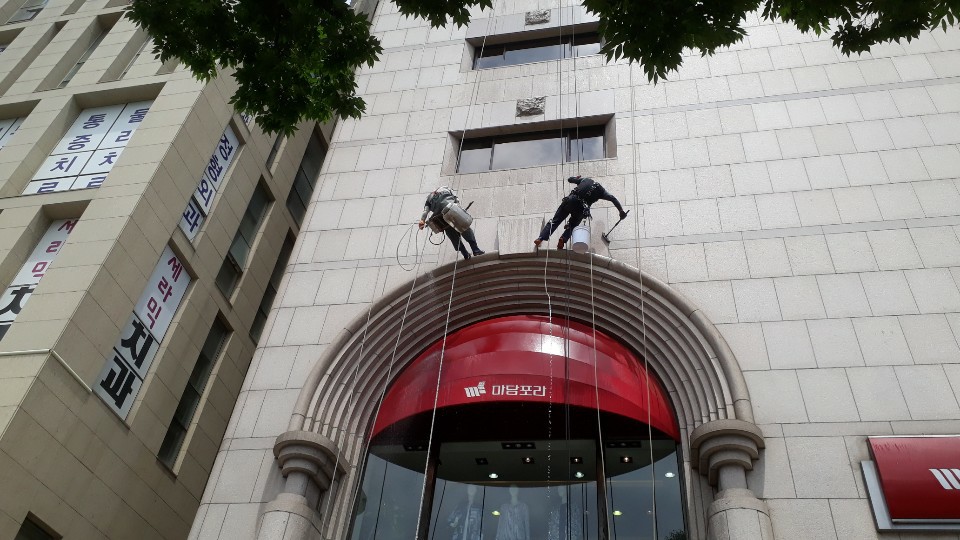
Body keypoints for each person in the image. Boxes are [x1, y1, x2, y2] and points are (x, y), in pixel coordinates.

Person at [534, 176, 627, 250]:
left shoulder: (585, 180)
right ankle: (563, 238)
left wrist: (576, 177)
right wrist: (620, 210)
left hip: (571, 201)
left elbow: (570, 179)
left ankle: (540, 238)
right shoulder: (601, 191)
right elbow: (612, 198)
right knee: (573, 224)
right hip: (581, 209)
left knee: (555, 221)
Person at [419, 186, 485, 260]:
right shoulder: (446, 188)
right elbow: (456, 199)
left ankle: (466, 253)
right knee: (465, 229)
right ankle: (474, 249)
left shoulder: (429, 199)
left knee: (454, 236)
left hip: (442, 217)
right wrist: (459, 209)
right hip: (452, 211)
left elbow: (425, 211)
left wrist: (422, 220)